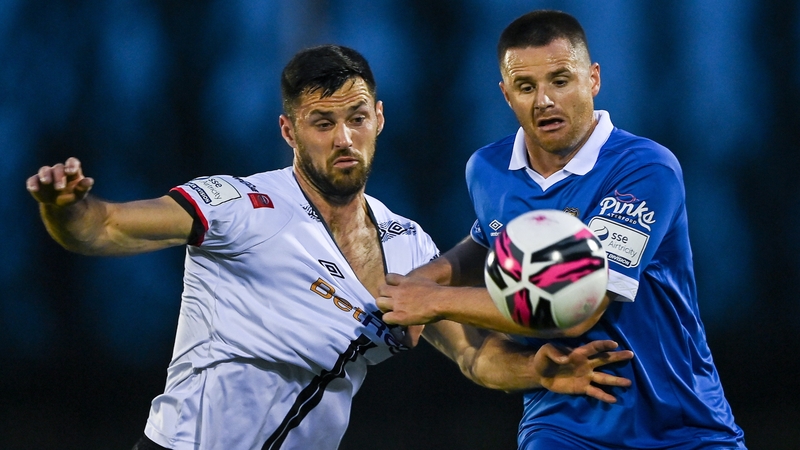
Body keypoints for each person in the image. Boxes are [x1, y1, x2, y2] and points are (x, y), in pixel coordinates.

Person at [376, 10, 747, 449]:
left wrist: (434, 302)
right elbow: (487, 240)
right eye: (526, 87)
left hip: (681, 428)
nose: (544, 101)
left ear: (593, 79)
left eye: (560, 80)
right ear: (506, 94)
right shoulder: (488, 169)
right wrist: (416, 284)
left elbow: (578, 305)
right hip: (560, 424)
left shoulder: (644, 169)